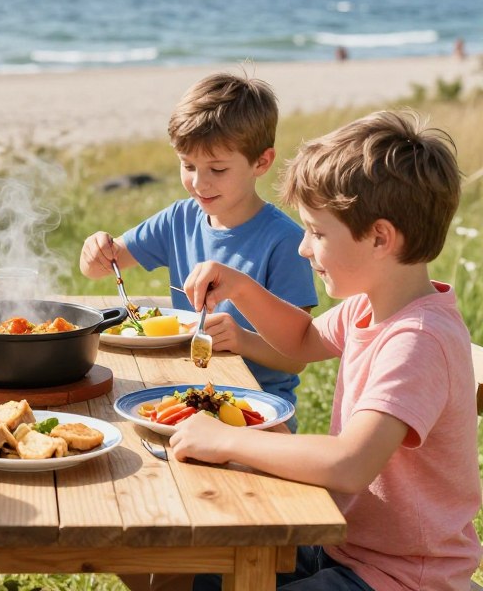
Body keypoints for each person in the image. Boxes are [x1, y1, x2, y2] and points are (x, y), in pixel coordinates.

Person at [171, 110, 482, 590]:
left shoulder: (418, 340)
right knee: (205, 571)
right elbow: (301, 340)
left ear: (379, 237)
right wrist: (241, 287)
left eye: (317, 232)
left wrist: (225, 439)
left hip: (401, 576)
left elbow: (349, 464)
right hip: (342, 545)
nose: (303, 249)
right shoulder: (368, 306)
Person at [80, 72, 317, 421]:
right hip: (191, 394)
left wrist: (241, 340)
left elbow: (297, 357)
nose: (199, 183)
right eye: (188, 165)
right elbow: (99, 267)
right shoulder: (179, 219)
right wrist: (96, 251)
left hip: (257, 410)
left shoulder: (286, 242)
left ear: (261, 162)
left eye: (217, 169)